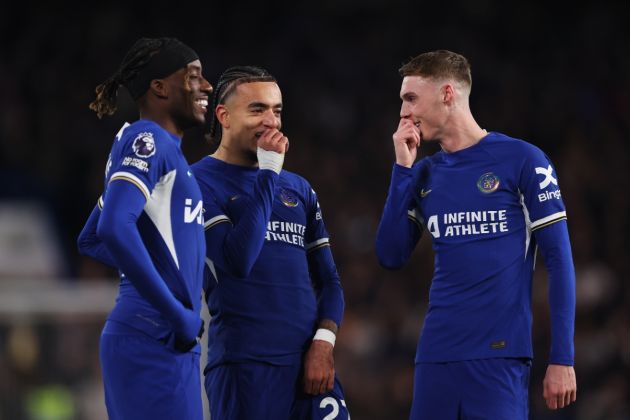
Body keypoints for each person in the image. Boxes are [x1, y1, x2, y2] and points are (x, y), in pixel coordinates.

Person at [375, 50, 577, 419]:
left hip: (499, 355)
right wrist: (403, 170)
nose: (404, 112)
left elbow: (560, 260)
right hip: (436, 355)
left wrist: (562, 357)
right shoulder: (424, 174)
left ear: (447, 94)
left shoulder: (523, 160)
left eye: (411, 98)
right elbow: (390, 255)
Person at [190, 66, 350, 419]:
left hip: (310, 368)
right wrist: (267, 174)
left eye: (277, 110)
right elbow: (237, 260)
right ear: (224, 115)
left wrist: (323, 345)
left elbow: (329, 282)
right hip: (244, 368)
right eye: (257, 109)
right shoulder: (196, 183)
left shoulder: (298, 188)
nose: (272, 121)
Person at [77, 37, 212, 420]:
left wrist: (158, 271)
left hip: (159, 334)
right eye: (194, 77)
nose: (205, 86)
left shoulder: (163, 149)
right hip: (156, 331)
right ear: (160, 87)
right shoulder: (147, 139)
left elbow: (90, 235)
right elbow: (113, 229)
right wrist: (173, 310)